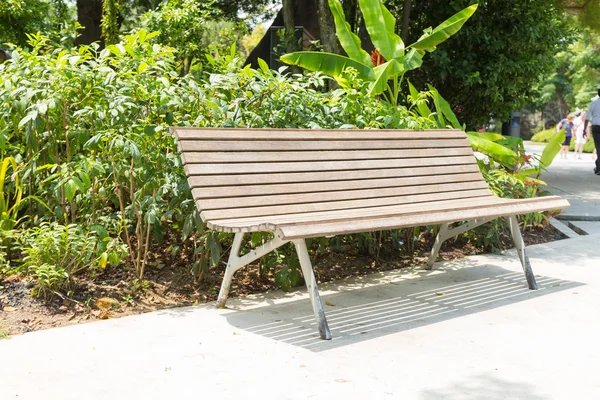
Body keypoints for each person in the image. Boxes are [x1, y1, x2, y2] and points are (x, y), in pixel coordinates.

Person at [583, 88, 600, 175]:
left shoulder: (593, 104)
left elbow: (587, 118)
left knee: (598, 147)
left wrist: (584, 130)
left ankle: (598, 167)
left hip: (596, 127)